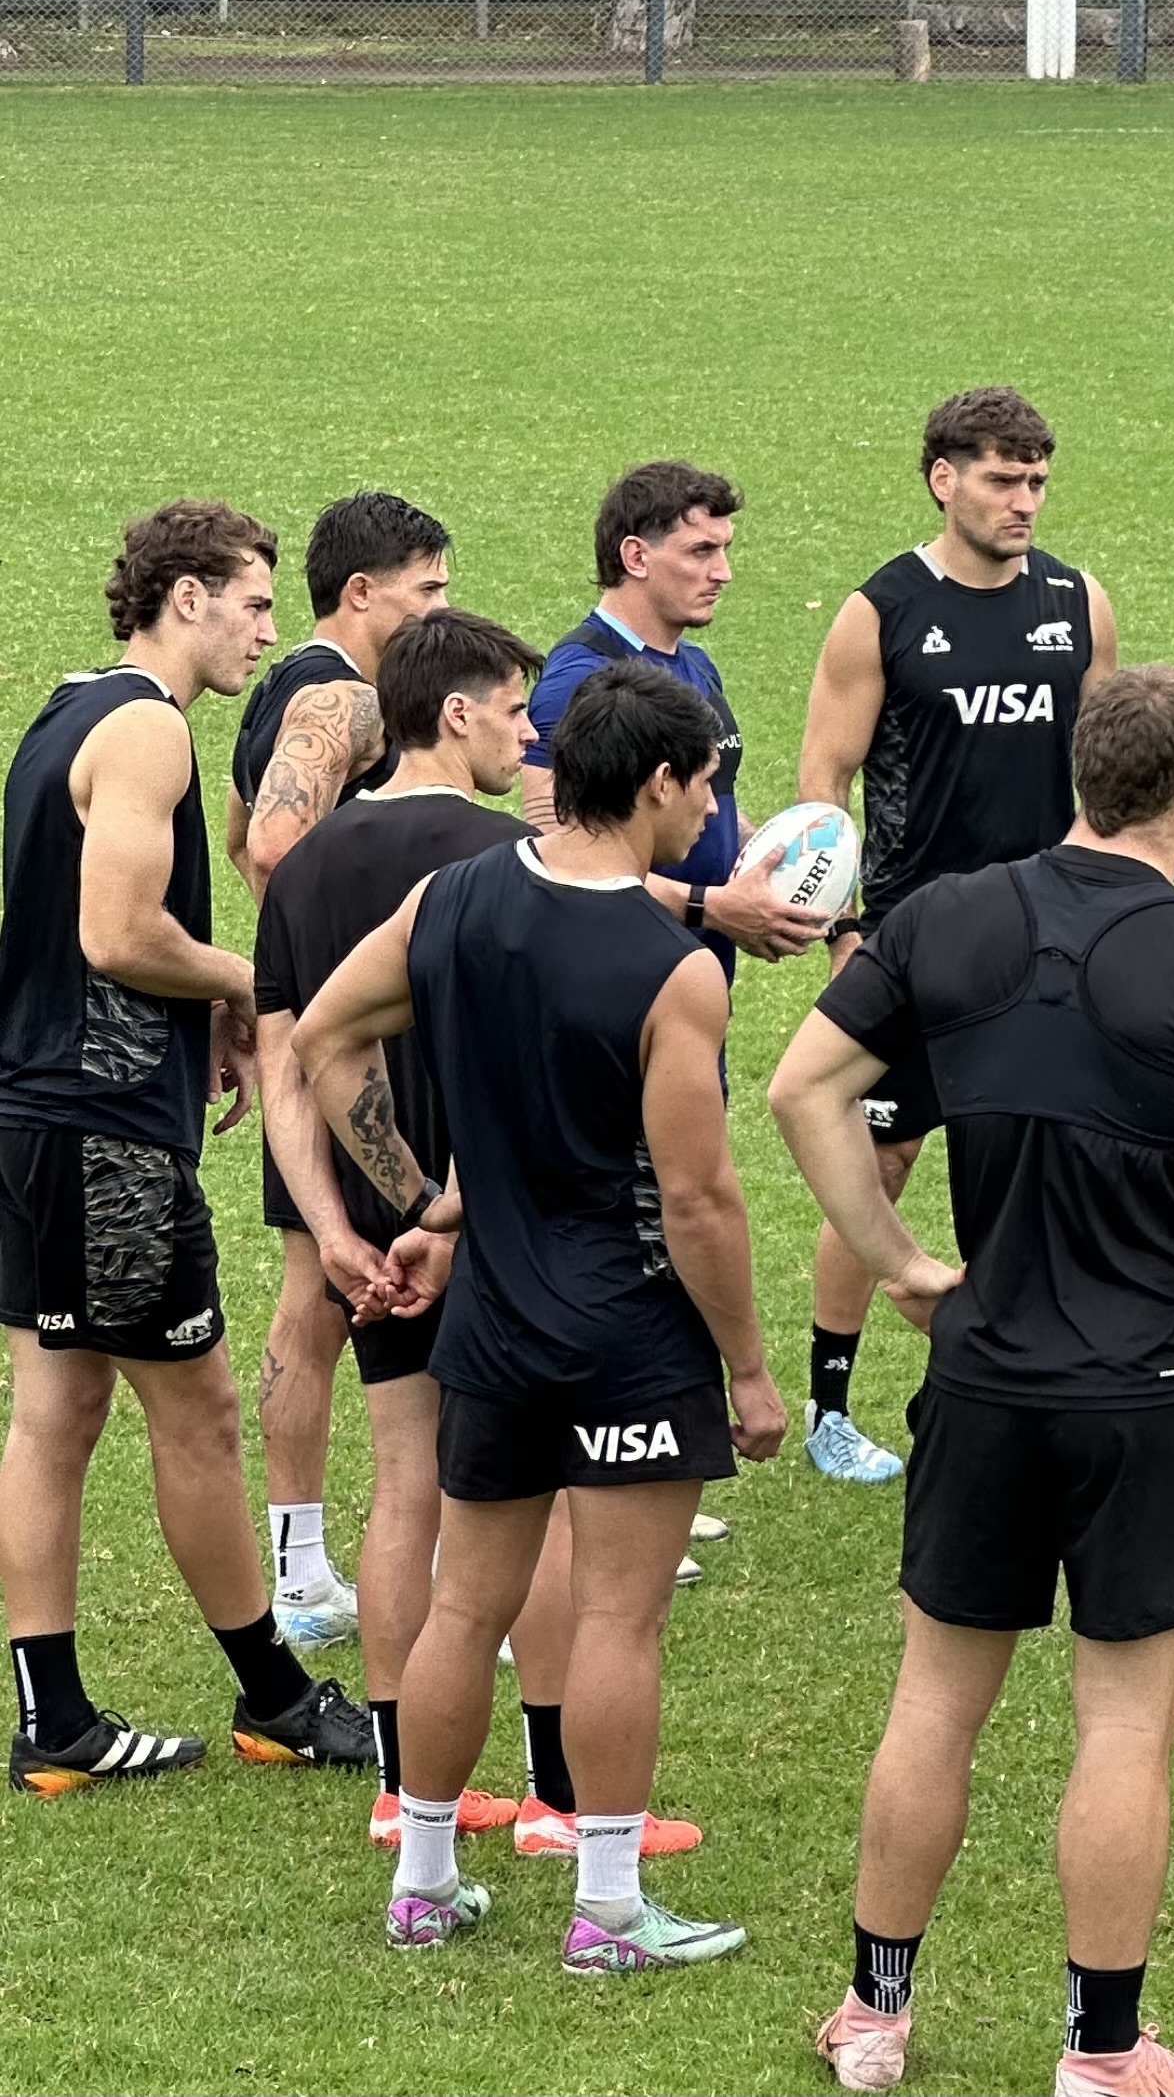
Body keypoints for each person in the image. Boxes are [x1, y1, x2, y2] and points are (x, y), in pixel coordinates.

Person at [774, 666, 1174, 2097]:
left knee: (933, 1703)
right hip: (1149, 1393)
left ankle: (874, 2015)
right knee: (1124, 1725)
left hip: (984, 1381)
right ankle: (1103, 2052)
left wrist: (895, 1257)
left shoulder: (944, 916)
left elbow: (800, 1087)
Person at [299, 662, 787, 1970]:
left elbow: (325, 1037)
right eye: (706, 786)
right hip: (630, 1331)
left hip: (494, 1329)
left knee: (466, 1606)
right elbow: (699, 1198)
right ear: (658, 782)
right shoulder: (672, 970)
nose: (712, 813)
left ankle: (424, 1880)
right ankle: (610, 1909)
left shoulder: (452, 900)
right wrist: (748, 1367)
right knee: (619, 1619)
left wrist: (428, 1199)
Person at [0, 500, 373, 1793]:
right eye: (254, 603)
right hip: (106, 1137)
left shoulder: (68, 707)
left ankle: (53, 1718)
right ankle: (276, 1694)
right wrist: (250, 984)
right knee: (201, 1411)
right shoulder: (151, 726)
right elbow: (117, 931)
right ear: (187, 597)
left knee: (55, 1411)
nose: (268, 630)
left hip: (34, 1116)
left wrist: (199, 1000)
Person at [792, 386, 1119, 1488]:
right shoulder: (882, 610)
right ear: (944, 479)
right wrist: (844, 928)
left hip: (1052, 938)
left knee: (1046, 1151)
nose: (1024, 501)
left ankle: (1026, 1369)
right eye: (1001, 479)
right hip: (915, 940)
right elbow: (825, 780)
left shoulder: (1077, 602)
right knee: (878, 1157)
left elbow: (1108, 772)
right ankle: (831, 1405)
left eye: (1037, 481)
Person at [230, 490, 455, 1654]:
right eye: (428, 590)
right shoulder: (342, 696)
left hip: (308, 1032)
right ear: (361, 592)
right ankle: (387, 1569)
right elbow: (277, 844)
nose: (441, 612)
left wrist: (284, 962)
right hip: (354, 1045)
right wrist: (347, 963)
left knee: (318, 1288)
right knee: (381, 1283)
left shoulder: (274, 692)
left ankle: (301, 1562)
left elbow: (243, 835)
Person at [526, 460, 830, 975]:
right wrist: (708, 907)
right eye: (701, 551)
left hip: (696, 972)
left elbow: (711, 799)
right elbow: (553, 849)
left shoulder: (696, 665)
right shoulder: (581, 678)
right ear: (636, 557)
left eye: (724, 549)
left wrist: (767, 856)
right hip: (614, 977)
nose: (723, 572)